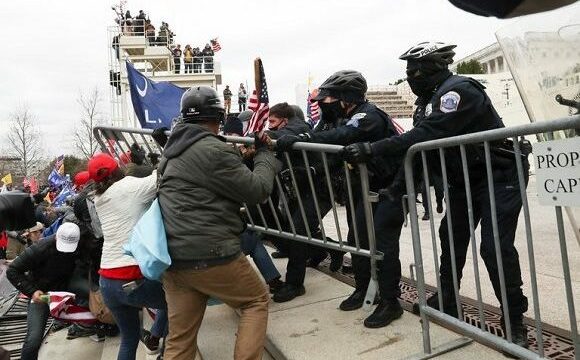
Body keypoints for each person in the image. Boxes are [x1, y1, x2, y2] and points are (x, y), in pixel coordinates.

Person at [342, 41, 531, 347]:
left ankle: (514, 319)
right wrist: (397, 189)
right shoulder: (426, 102)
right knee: (450, 238)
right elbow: (421, 154)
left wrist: (373, 148)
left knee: (494, 246)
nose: (410, 77)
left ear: (434, 68)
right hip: (463, 179)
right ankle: (447, 297)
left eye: (414, 71)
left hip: (499, 175)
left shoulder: (460, 91)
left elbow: (427, 135)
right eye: (407, 72)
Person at [276, 70, 404, 327]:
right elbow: (325, 140)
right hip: (360, 190)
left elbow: (342, 135)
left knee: (383, 246)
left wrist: (303, 137)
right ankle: (363, 289)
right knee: (356, 241)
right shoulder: (337, 117)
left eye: (328, 98)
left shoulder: (368, 115)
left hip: (388, 190)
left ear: (346, 97)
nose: (324, 103)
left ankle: (391, 302)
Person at [157, 86, 277, 360]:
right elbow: (257, 190)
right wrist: (264, 155)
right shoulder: (215, 150)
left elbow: (205, 175)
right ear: (219, 117)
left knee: (180, 338)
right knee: (255, 301)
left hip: (173, 257)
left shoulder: (171, 150)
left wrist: (241, 158)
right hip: (210, 252)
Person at [89, 153, 167, 360]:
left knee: (129, 339)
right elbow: (162, 175)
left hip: (106, 281)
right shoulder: (129, 186)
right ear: (116, 169)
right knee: (177, 302)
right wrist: (164, 151)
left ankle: (155, 338)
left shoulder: (99, 198)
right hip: (130, 276)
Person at [7, 223, 83, 360]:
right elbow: (12, 271)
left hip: (68, 288)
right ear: (56, 238)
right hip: (43, 294)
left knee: (93, 293)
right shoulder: (40, 249)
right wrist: (33, 291)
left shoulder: (82, 243)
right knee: (33, 340)